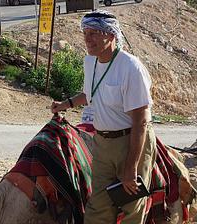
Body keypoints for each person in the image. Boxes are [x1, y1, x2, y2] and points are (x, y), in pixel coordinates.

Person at [50, 10, 156, 224]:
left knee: (131, 207)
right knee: (97, 207)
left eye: (95, 33)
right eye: (85, 33)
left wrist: (131, 167)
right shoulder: (91, 62)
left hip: (131, 142)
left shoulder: (131, 67)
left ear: (111, 35)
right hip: (103, 144)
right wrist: (65, 104)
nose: (88, 39)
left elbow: (141, 121)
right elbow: (91, 94)